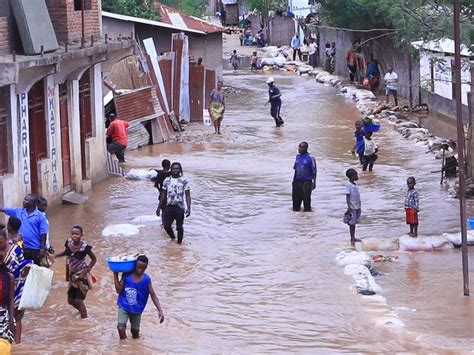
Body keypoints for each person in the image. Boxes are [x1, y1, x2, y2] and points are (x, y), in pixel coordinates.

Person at [114, 255, 165, 340]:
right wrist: (115, 276)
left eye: (143, 268)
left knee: (135, 333)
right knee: (120, 328)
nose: (140, 270)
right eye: (138, 267)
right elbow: (118, 290)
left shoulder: (146, 279)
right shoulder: (126, 275)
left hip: (137, 309)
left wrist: (160, 310)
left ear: (146, 268)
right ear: (135, 265)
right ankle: (124, 347)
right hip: (124, 306)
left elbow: (153, 295)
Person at [55, 226, 96, 319]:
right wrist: (55, 256)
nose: (74, 236)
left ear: (81, 235)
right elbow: (67, 252)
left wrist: (84, 272)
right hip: (72, 274)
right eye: (73, 233)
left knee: (78, 300)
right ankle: (82, 311)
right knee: (70, 300)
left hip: (82, 275)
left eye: (77, 234)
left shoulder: (85, 248)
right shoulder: (69, 243)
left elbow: (94, 259)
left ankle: (85, 319)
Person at [0, 229, 31, 344]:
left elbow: (24, 266)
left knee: (16, 316)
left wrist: (24, 272)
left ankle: (18, 345)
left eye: (1, 242)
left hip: (17, 286)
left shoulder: (15, 249)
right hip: (2, 284)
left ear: (6, 239)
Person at [0, 195, 48, 265]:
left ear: (33, 203)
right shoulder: (18, 211)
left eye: (26, 200)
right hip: (22, 248)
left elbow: (43, 234)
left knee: (34, 272)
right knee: (23, 271)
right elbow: (3, 209)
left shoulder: (40, 216)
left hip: (35, 249)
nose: (24, 201)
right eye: (24, 199)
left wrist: (42, 249)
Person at [157, 162, 191, 244]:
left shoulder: (184, 180)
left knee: (179, 227)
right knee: (166, 225)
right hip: (169, 206)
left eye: (177, 168)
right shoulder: (167, 180)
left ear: (180, 170)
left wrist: (189, 208)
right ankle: (173, 238)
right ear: (171, 169)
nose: (175, 170)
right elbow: (163, 194)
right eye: (174, 168)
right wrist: (159, 207)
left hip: (179, 207)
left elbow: (187, 195)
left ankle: (179, 244)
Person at [292, 142, 317, 212]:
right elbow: (296, 169)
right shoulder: (298, 156)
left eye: (301, 147)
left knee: (306, 201)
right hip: (297, 181)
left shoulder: (310, 158)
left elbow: (314, 172)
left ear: (305, 148)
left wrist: (314, 183)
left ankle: (308, 218)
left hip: (307, 182)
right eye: (299, 147)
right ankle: (297, 217)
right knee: (295, 201)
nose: (299, 149)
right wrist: (293, 181)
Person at [345, 168, 361, 246]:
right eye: (356, 175)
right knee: (352, 223)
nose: (357, 176)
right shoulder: (348, 185)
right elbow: (347, 196)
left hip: (357, 206)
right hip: (353, 207)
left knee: (354, 223)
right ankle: (352, 238)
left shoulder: (355, 184)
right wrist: (349, 206)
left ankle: (353, 237)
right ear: (351, 177)